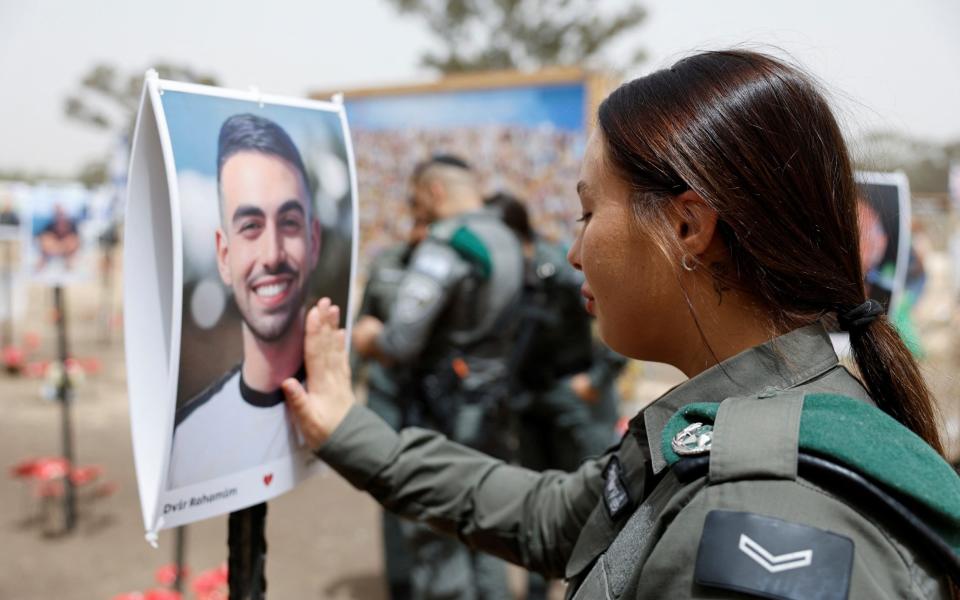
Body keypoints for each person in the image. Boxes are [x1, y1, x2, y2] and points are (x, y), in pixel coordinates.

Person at [283, 50, 960, 599]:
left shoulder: (763, 515)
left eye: (587, 212)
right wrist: (350, 431)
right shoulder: (738, 426)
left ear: (688, 226)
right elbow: (550, 516)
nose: (574, 251)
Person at [351, 155, 524, 600]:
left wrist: (370, 338)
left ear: (435, 193)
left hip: (442, 411)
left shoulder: (446, 242)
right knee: (488, 523)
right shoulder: (506, 234)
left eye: (416, 202)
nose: (416, 214)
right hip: (493, 404)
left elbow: (401, 340)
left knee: (435, 529)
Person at [168, 113, 321, 489]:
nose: (272, 254)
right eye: (250, 227)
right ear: (223, 255)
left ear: (314, 241)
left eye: (289, 222)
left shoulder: (340, 423)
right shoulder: (187, 440)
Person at [486, 191, 626, 599]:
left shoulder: (559, 270)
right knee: (534, 498)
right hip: (530, 402)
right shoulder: (508, 275)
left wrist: (595, 380)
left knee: (595, 503)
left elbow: (617, 315)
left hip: (574, 400)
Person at [351, 215, 429, 600]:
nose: (423, 229)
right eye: (419, 220)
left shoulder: (444, 267)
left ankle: (428, 580)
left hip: (427, 398)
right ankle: (400, 585)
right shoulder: (385, 264)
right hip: (385, 395)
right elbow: (361, 321)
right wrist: (348, 385)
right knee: (389, 488)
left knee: (427, 487)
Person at [36, 204, 81, 271]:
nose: (60, 216)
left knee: (72, 241)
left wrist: (63, 245)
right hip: (53, 249)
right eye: (58, 214)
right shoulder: (50, 225)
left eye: (61, 214)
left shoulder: (72, 225)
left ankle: (69, 265)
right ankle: (40, 266)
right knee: (46, 239)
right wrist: (55, 245)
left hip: (66, 250)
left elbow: (76, 240)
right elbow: (41, 238)